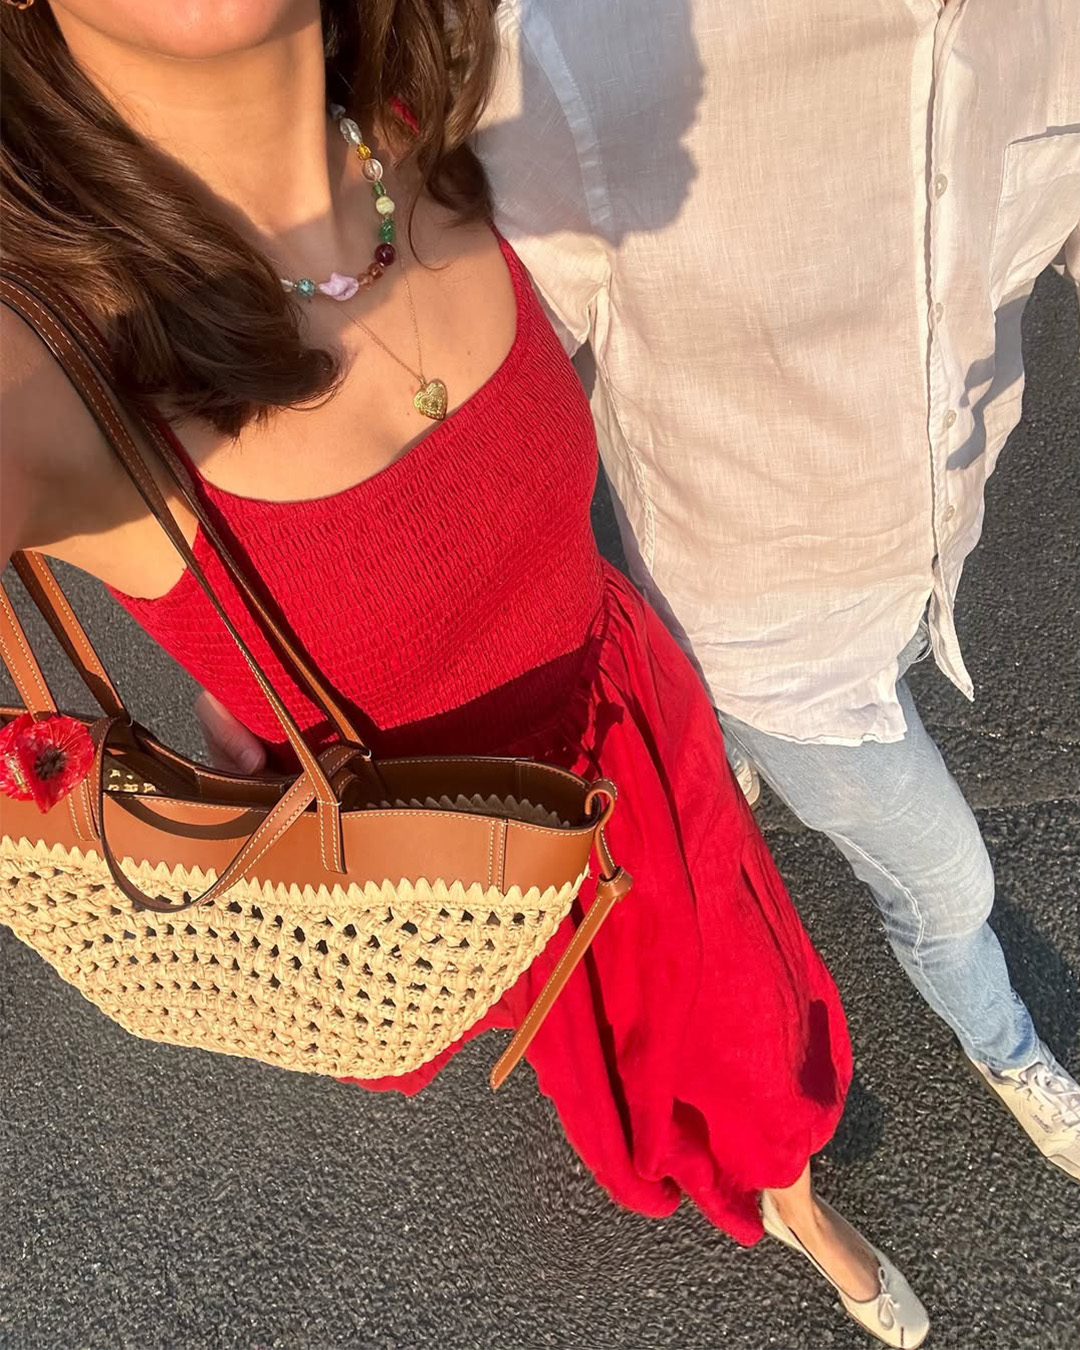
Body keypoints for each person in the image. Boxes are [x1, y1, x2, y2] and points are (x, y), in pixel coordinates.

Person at [0, 2, 929, 1346]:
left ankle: (788, 1190)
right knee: (622, 1045)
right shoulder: (42, 359)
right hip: (458, 863)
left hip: (640, 728)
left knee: (748, 1025)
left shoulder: (430, 128)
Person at [209, 0, 1080, 1186]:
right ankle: (1007, 1044)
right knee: (946, 881)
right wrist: (308, 661)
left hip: (926, 546)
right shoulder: (586, 48)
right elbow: (469, 394)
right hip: (776, 637)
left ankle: (719, 741)